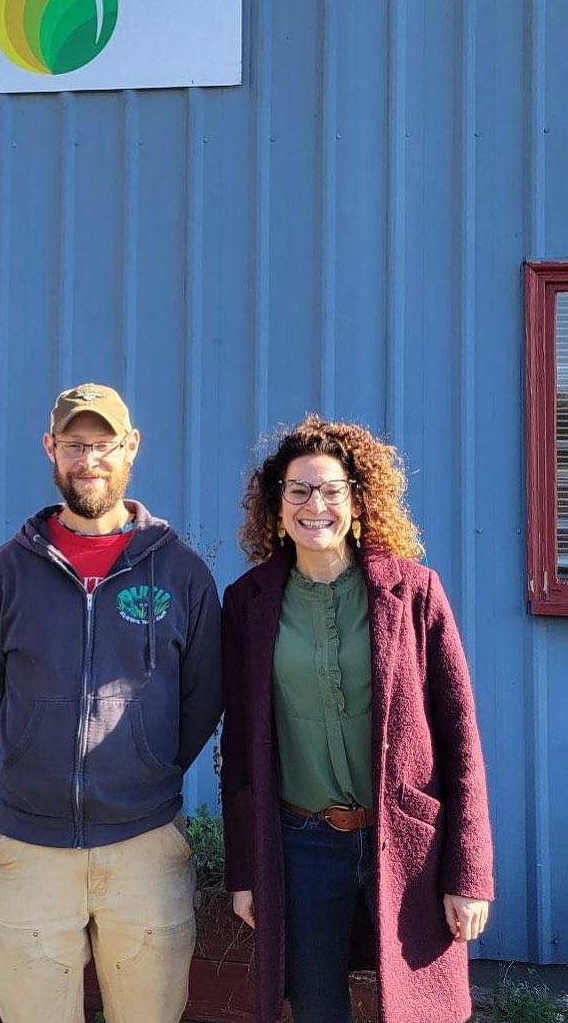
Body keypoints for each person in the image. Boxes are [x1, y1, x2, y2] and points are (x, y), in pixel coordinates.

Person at [219, 414, 493, 1023]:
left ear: (358, 500)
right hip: (302, 844)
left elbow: (459, 737)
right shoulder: (247, 604)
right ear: (277, 506)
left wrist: (470, 872)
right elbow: (239, 749)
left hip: (408, 838)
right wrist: (246, 871)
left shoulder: (414, 593)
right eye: (298, 491)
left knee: (421, 1011)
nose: (315, 505)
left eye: (331, 490)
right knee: (316, 1008)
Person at [0, 383, 222, 1023]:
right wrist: (35, 754)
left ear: (130, 447)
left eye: (104, 444)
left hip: (145, 843)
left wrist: (148, 764)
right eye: (75, 445)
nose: (90, 461)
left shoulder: (181, 572)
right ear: (51, 449)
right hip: (31, 847)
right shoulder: (7, 571)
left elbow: (203, 694)